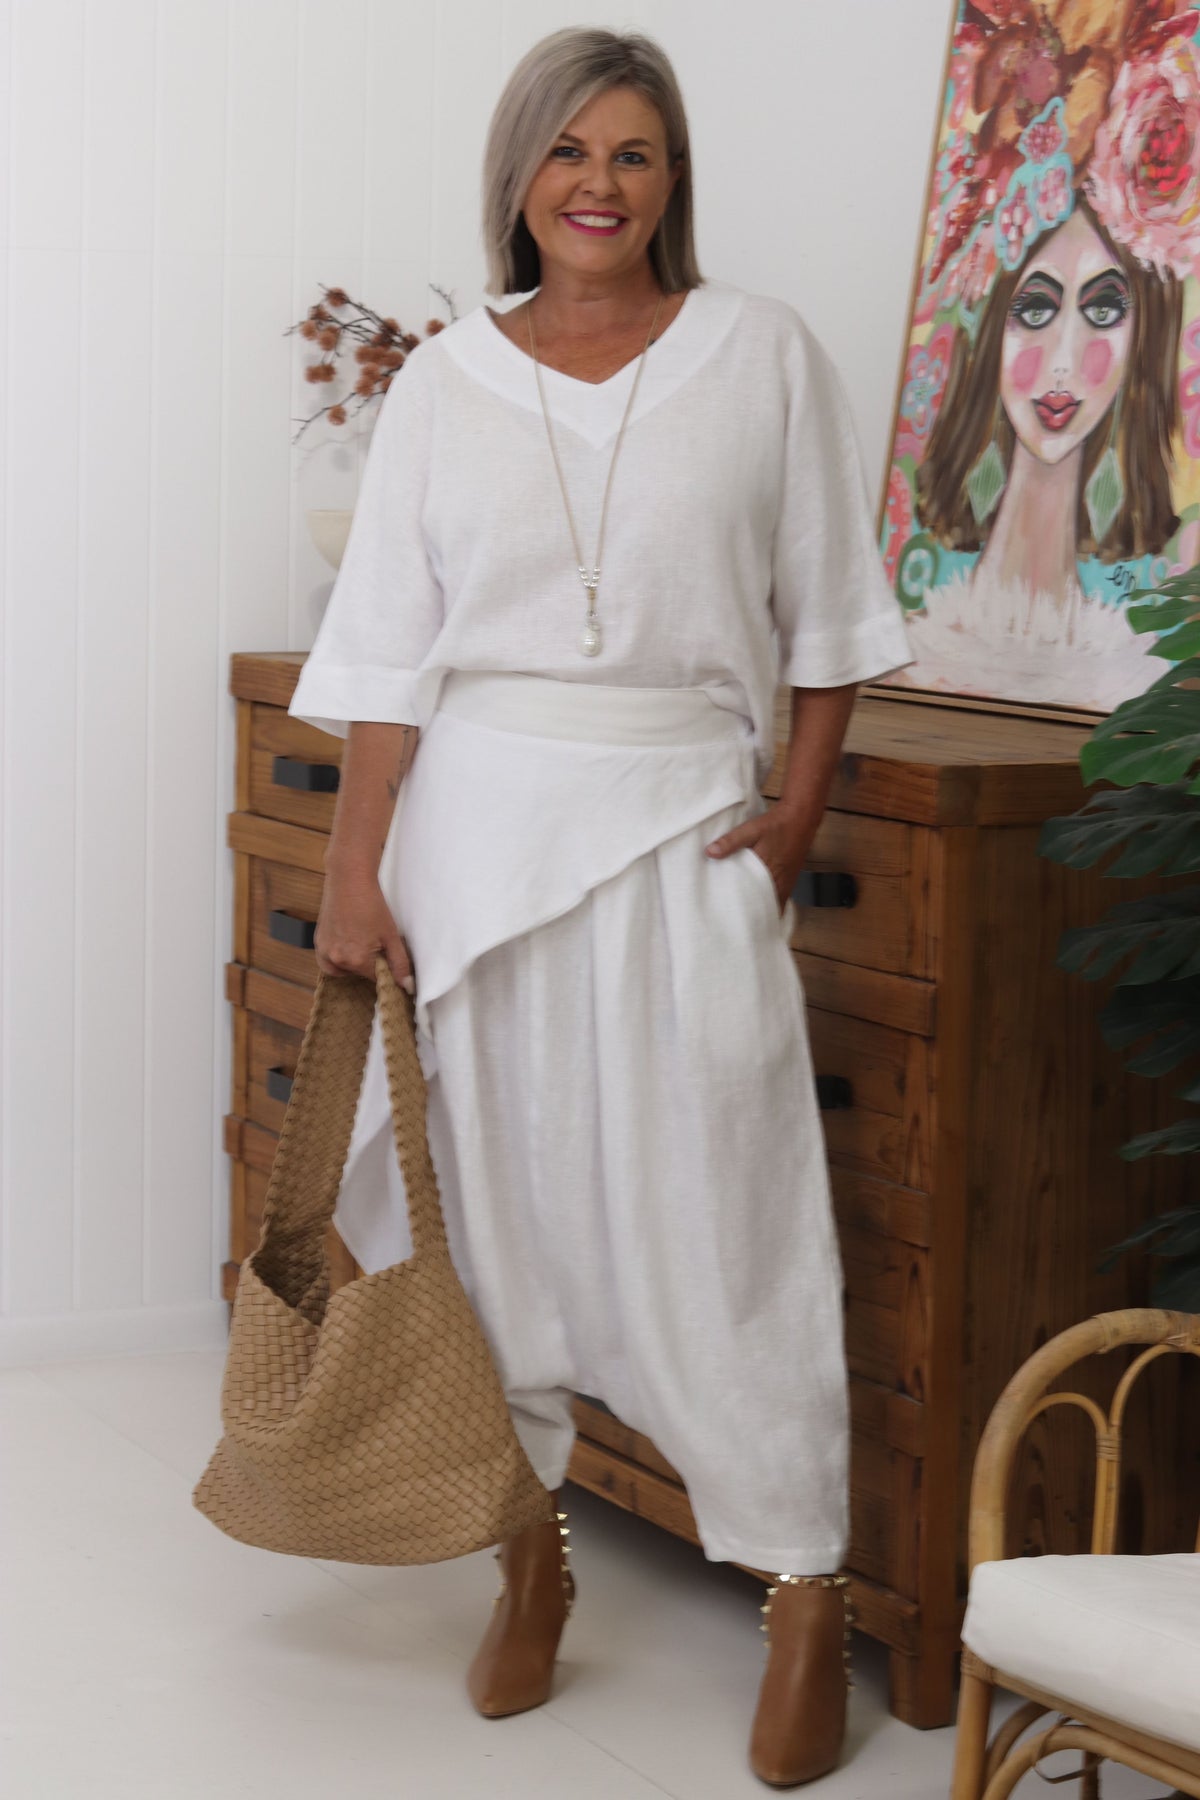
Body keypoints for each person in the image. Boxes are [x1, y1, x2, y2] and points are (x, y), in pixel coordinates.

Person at [288, 25, 912, 1790]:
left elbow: (826, 612)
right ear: (518, 177)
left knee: (728, 1215)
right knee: (491, 1222)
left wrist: (796, 814)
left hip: (680, 829)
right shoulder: (443, 381)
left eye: (633, 153)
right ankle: (529, 1555)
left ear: (672, 179)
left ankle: (802, 1590)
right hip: (474, 846)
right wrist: (352, 865)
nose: (599, 184)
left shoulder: (760, 353)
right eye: (568, 151)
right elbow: (390, 650)